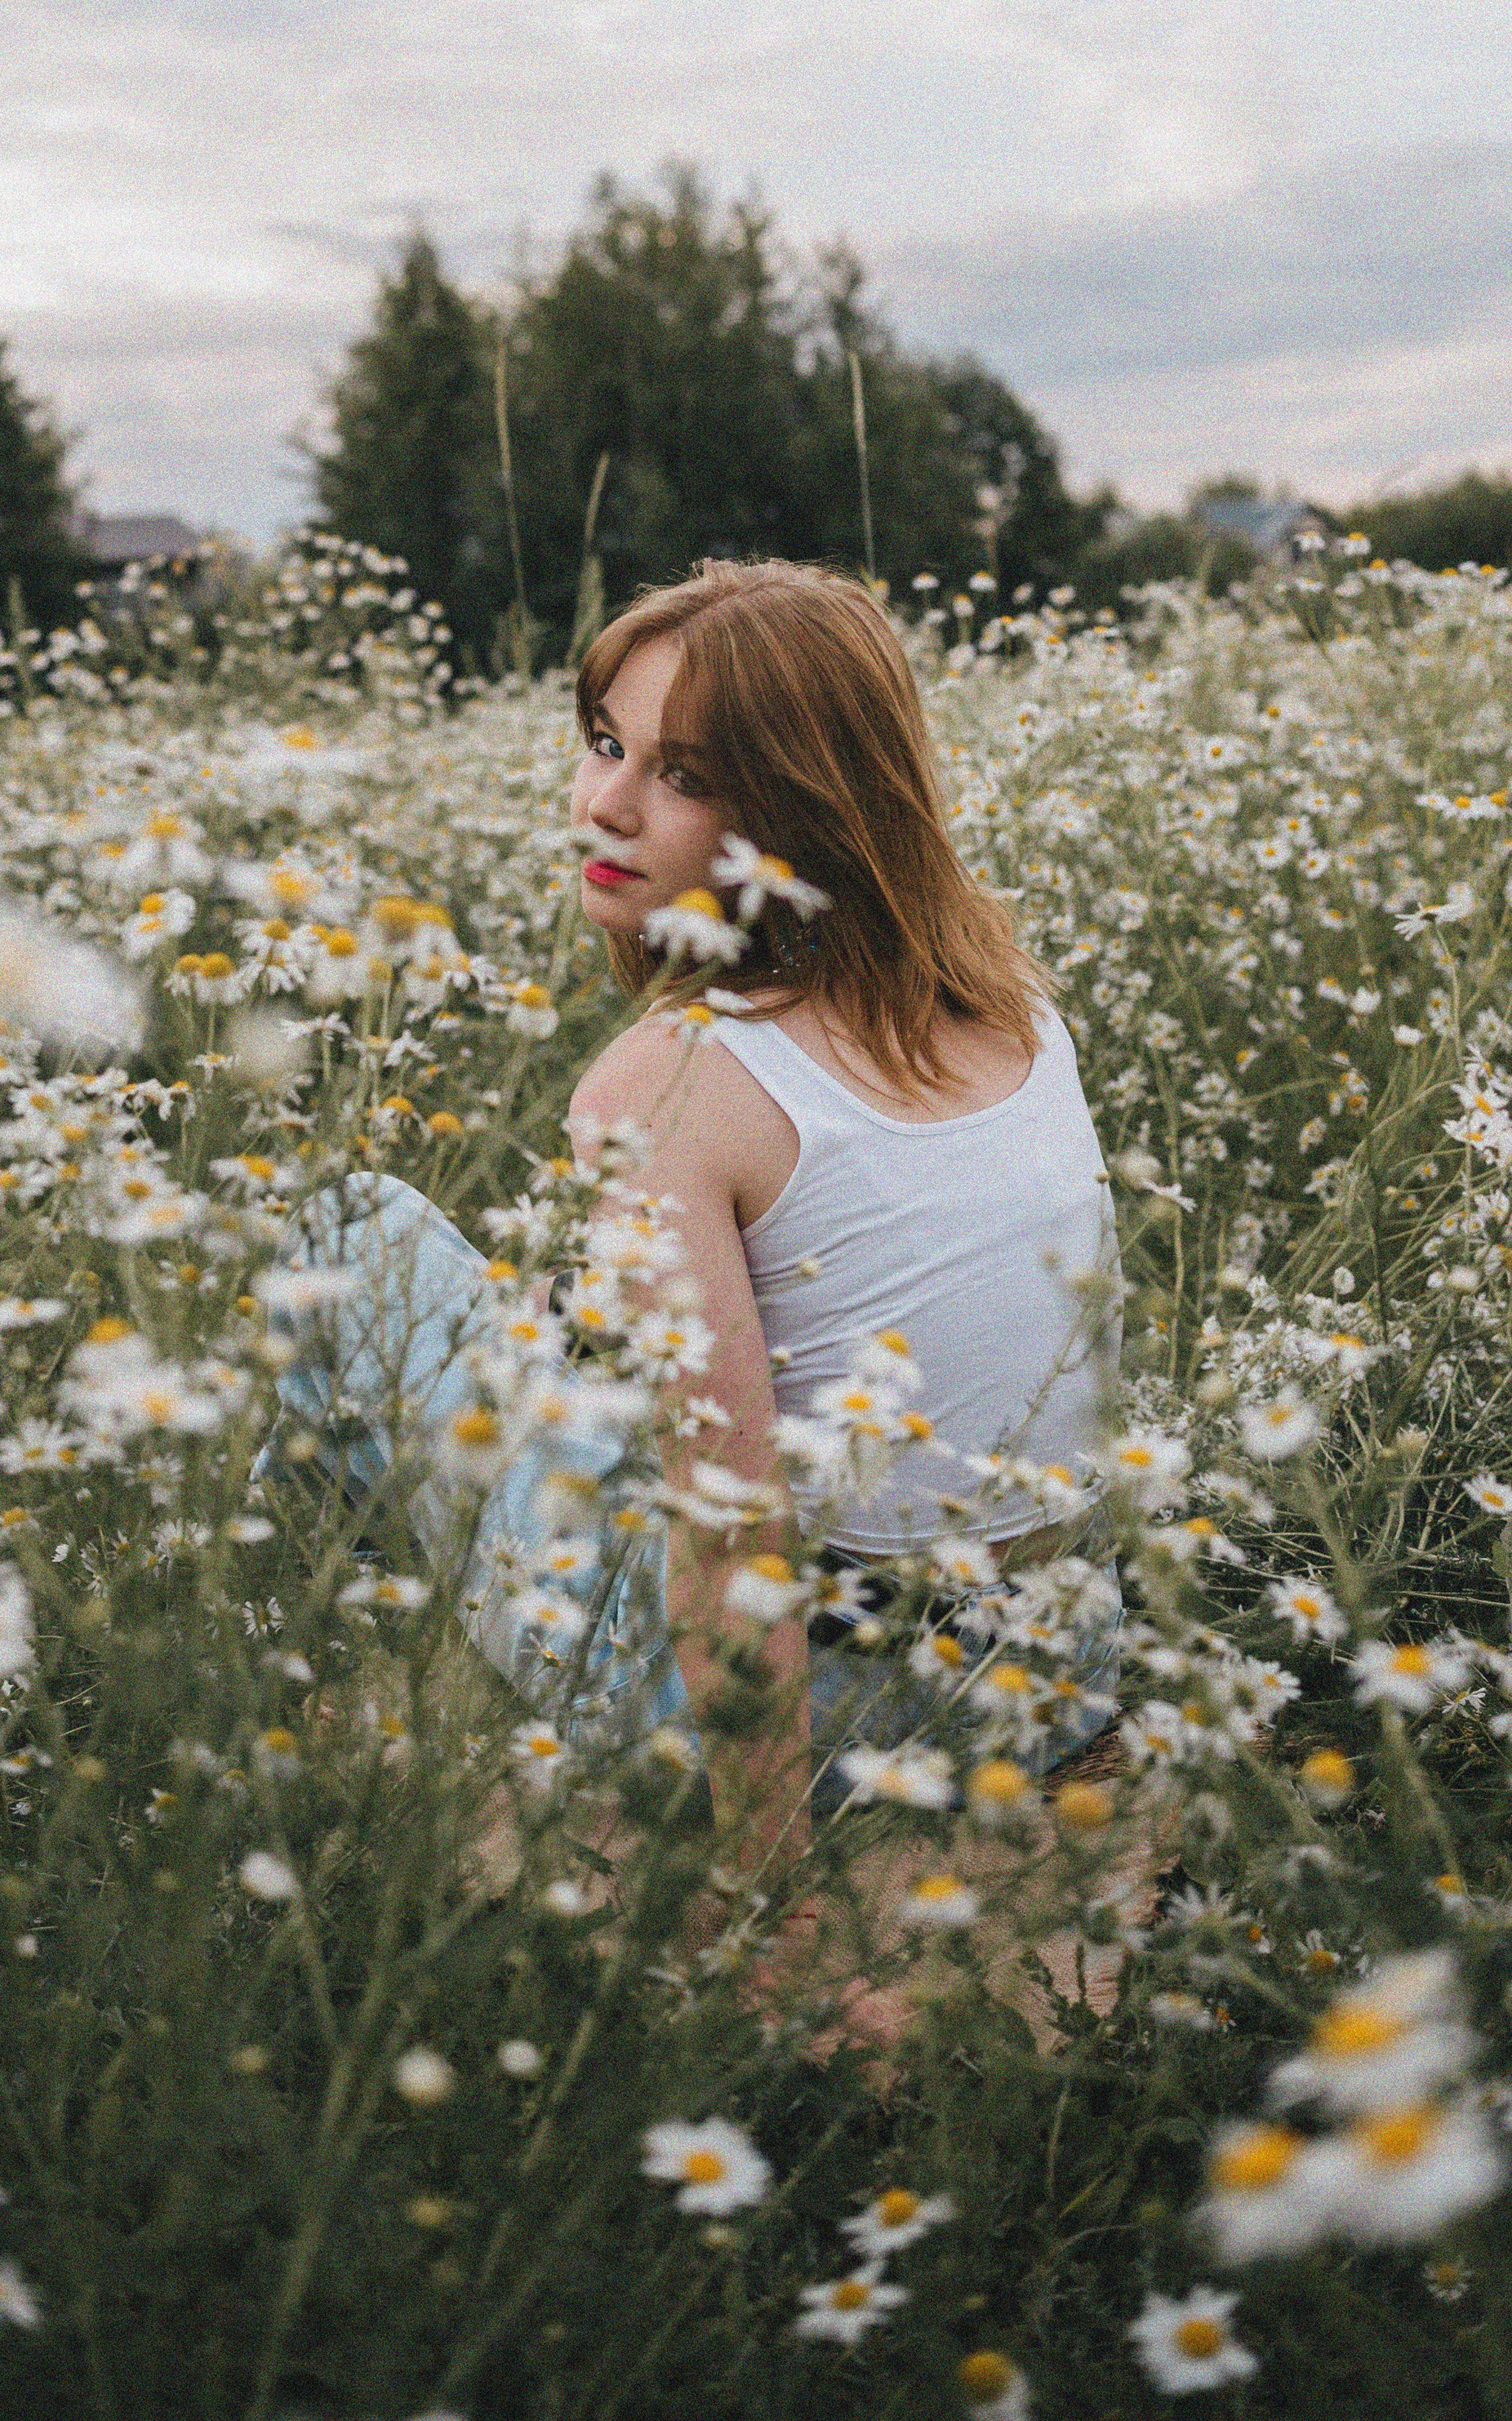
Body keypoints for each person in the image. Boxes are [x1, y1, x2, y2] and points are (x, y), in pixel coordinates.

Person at [273, 557, 1122, 1901]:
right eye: (606, 744)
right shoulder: (1014, 1014)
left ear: (808, 810)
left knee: (346, 1225)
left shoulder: (674, 1087)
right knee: (552, 1333)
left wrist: (763, 1889)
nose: (604, 802)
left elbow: (731, 1533)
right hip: (1057, 1672)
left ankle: (354, 1667)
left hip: (845, 1722)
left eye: (685, 775)